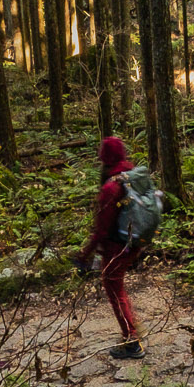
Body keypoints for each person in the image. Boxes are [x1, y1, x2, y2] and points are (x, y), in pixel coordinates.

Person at [77, 134, 145, 359]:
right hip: (133, 242)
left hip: (117, 246)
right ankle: (132, 330)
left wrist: (85, 254)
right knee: (118, 289)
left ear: (104, 157)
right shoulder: (132, 175)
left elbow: (102, 229)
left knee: (115, 290)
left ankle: (132, 340)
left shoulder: (111, 187)